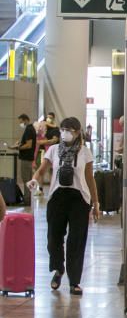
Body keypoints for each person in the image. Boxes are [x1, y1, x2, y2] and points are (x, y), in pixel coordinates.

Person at [27, 117, 99, 296]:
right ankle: (58, 269)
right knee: (53, 238)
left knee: (76, 240)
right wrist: (34, 180)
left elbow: (90, 178)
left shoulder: (85, 152)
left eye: (69, 130)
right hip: (57, 198)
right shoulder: (52, 150)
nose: (65, 133)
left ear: (77, 132)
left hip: (79, 199)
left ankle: (74, 281)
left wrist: (96, 203)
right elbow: (42, 169)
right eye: (63, 129)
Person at [16, 114, 36, 190]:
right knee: (28, 180)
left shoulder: (29, 129)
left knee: (26, 180)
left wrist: (18, 147)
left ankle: (27, 200)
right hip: (29, 158)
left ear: (26, 120)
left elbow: (28, 145)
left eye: (21, 122)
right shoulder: (31, 128)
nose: (21, 124)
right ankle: (29, 200)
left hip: (26, 159)